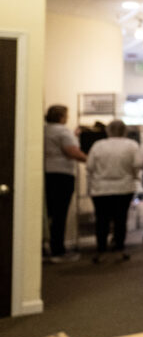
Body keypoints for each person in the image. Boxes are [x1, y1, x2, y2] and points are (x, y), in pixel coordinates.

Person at [86, 118, 143, 263]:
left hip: (100, 189)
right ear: (125, 131)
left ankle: (101, 250)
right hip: (123, 188)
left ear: (108, 131)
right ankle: (119, 249)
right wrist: (133, 176)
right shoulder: (132, 145)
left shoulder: (98, 145)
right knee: (120, 219)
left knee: (101, 220)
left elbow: (90, 167)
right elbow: (138, 165)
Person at [43, 104, 88, 262]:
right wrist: (90, 160)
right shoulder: (62, 131)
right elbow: (71, 151)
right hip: (62, 175)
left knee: (49, 213)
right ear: (62, 116)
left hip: (48, 174)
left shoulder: (45, 129)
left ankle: (47, 246)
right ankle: (58, 250)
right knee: (60, 213)